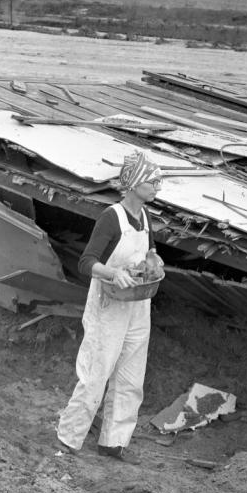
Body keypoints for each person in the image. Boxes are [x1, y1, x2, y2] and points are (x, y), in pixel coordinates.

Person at [56, 150, 164, 463]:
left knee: (131, 376)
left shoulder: (144, 217)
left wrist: (154, 261)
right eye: (153, 181)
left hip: (137, 304)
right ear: (134, 183)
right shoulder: (111, 217)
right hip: (109, 304)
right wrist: (114, 273)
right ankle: (69, 437)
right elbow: (86, 261)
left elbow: (151, 249)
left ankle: (114, 442)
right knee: (96, 372)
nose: (158, 186)